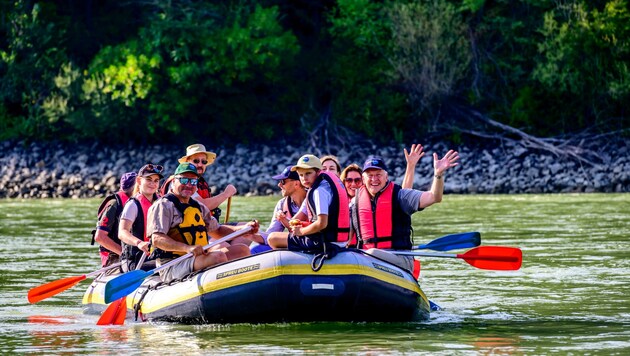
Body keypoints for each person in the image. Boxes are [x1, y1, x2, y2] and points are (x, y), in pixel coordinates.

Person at [350, 150, 460, 271]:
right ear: (363, 179)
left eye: (378, 175)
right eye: (370, 175)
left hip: (400, 258)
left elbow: (434, 197)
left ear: (386, 177)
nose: (374, 179)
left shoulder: (401, 196)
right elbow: (347, 237)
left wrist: (438, 174)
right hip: (366, 262)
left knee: (370, 252)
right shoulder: (355, 203)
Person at [148, 163, 258, 282]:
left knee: (242, 250)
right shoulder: (163, 205)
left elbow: (218, 231)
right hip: (173, 264)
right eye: (184, 180)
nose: (189, 185)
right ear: (174, 181)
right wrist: (187, 248)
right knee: (218, 256)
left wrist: (243, 229)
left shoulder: (198, 206)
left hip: (196, 258)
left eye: (193, 182)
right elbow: (157, 239)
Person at [267, 155, 350, 252]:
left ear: (318, 172)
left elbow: (322, 223)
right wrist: (285, 220)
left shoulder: (319, 191)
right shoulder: (322, 187)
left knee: (272, 238)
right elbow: (298, 220)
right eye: (301, 175)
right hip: (338, 241)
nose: (304, 178)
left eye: (308, 173)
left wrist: (301, 231)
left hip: (325, 243)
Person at [160, 143, 236, 219]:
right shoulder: (179, 182)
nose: (200, 164)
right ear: (187, 162)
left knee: (247, 228)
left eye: (204, 162)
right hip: (185, 229)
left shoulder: (197, 182)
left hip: (204, 226)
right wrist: (226, 194)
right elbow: (203, 205)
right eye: (196, 161)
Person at [251, 165, 307, 254]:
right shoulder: (281, 205)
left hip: (311, 242)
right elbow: (271, 234)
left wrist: (284, 220)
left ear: (296, 183)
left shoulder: (313, 200)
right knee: (254, 250)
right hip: (294, 243)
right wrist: (251, 235)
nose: (279, 185)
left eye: (283, 181)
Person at [118, 164, 163, 272]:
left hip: (154, 256)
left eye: (156, 181)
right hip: (135, 260)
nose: (153, 184)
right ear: (139, 181)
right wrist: (139, 243)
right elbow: (122, 232)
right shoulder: (133, 205)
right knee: (170, 265)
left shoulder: (161, 203)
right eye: (149, 179)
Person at [92, 171, 137, 267]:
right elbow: (99, 237)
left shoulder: (138, 203)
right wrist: (125, 254)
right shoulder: (114, 204)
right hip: (114, 256)